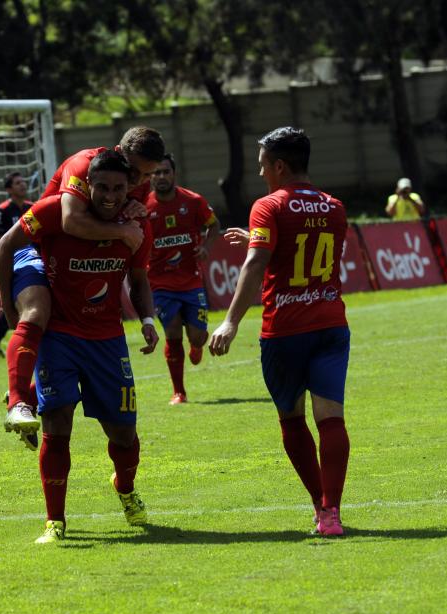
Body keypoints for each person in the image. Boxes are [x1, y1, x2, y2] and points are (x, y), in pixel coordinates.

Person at [0, 150, 160, 544]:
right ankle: (55, 521)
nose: (109, 195)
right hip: (61, 338)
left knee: (124, 436)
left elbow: (138, 281)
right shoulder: (55, 212)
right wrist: (7, 309)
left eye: (118, 188)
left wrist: (149, 320)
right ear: (87, 184)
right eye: (101, 186)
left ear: (130, 188)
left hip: (107, 341)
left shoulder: (137, 224)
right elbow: (6, 246)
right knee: (57, 425)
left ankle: (124, 486)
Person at [208, 126, 352, 537]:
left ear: (280, 165)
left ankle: (319, 506)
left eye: (263, 166)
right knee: (331, 418)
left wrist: (231, 321)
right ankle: (334, 514)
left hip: (285, 331)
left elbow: (258, 265)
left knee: (292, 420)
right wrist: (256, 240)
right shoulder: (335, 207)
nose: (260, 174)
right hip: (330, 325)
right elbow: (298, 245)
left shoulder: (268, 207)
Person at [0, 127, 166, 450]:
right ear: (119, 152)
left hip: (71, 257)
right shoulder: (82, 165)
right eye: (134, 170)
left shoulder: (135, 182)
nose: (137, 181)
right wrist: (8, 309)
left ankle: (31, 394)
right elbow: (71, 221)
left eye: (146, 175)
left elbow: (131, 227)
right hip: (37, 246)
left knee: (74, 338)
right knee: (38, 312)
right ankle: (18, 403)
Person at [145, 154, 220, 404]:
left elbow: (213, 224)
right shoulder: (143, 206)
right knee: (173, 332)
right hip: (160, 282)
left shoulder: (193, 201)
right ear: (150, 176)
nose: (161, 177)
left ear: (174, 174)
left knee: (198, 336)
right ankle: (179, 392)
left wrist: (207, 247)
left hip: (191, 280)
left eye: (166, 172)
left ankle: (196, 345)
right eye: (156, 173)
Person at [0, 172, 33, 359]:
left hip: (32, 261)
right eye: (18, 183)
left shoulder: (32, 208)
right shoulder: (1, 211)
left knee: (18, 304)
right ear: (9, 189)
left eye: (23, 181)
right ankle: (0, 345)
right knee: (14, 304)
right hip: (11, 264)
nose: (23, 185)